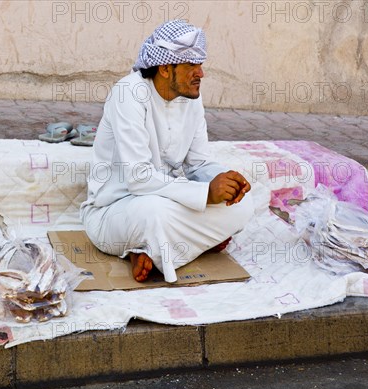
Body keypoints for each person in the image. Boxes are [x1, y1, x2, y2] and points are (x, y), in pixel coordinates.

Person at [80, 20, 254, 283]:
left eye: (201, 64)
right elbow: (139, 178)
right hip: (115, 211)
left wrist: (225, 181)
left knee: (243, 206)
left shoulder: (191, 98)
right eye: (191, 66)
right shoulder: (129, 93)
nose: (201, 74)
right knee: (154, 212)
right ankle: (174, 247)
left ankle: (150, 251)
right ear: (164, 68)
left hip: (167, 198)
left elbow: (198, 164)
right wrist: (206, 194)